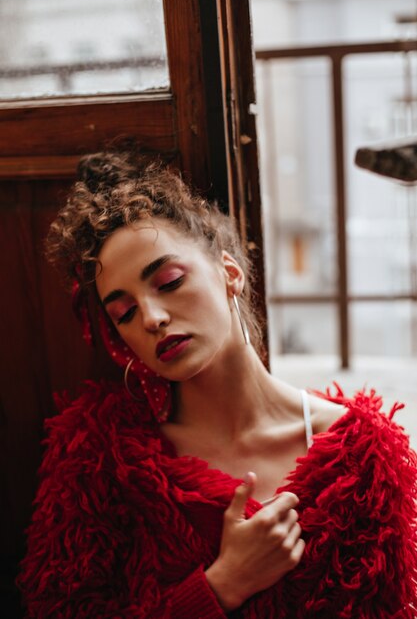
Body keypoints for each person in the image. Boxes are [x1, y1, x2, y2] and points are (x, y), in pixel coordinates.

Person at [17, 149, 417, 618]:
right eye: (123, 312)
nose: (152, 317)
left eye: (168, 282)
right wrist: (222, 585)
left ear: (229, 273)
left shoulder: (362, 454)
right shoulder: (101, 458)